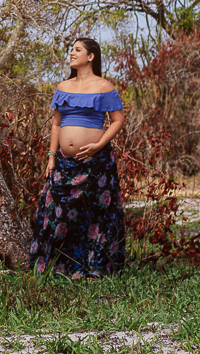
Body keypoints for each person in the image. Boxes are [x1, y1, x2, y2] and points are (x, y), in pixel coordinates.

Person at [29, 37, 126, 278]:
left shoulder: (103, 86)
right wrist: (51, 157)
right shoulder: (63, 86)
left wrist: (98, 145)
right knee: (58, 211)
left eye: (77, 50)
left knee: (95, 215)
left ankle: (93, 267)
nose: (72, 53)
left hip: (96, 163)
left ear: (91, 56)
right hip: (64, 161)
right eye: (71, 49)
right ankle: (58, 266)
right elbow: (56, 124)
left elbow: (118, 120)